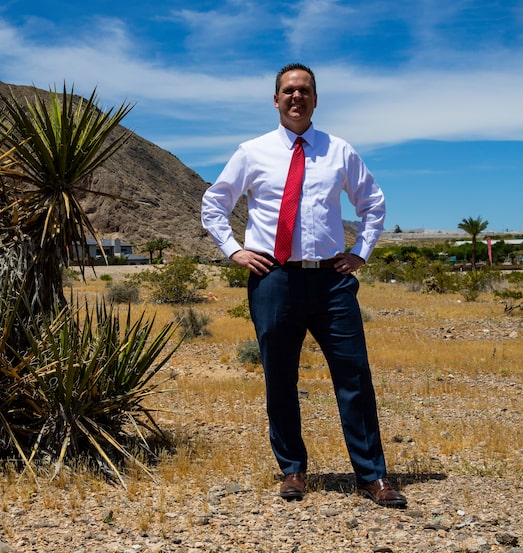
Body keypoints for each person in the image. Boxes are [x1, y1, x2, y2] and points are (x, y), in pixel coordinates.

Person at [200, 62, 406, 508]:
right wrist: (234, 250)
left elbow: (373, 203)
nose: (297, 97)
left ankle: (372, 476)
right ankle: (292, 470)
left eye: (305, 90)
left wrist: (361, 252)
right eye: (289, 91)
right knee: (280, 376)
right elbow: (214, 204)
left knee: (353, 375)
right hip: (273, 279)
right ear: (276, 99)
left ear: (315, 99)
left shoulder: (339, 151)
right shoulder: (251, 152)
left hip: (332, 281)